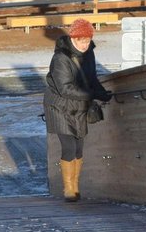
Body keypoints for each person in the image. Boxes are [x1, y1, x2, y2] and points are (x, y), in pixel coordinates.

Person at [43, 18, 112, 202]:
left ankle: (76, 185)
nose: (84, 44)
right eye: (81, 40)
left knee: (79, 147)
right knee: (69, 146)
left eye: (87, 40)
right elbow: (65, 88)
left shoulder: (89, 54)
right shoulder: (61, 58)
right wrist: (91, 94)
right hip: (59, 106)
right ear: (73, 37)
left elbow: (91, 78)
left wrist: (102, 93)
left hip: (79, 106)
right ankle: (69, 189)